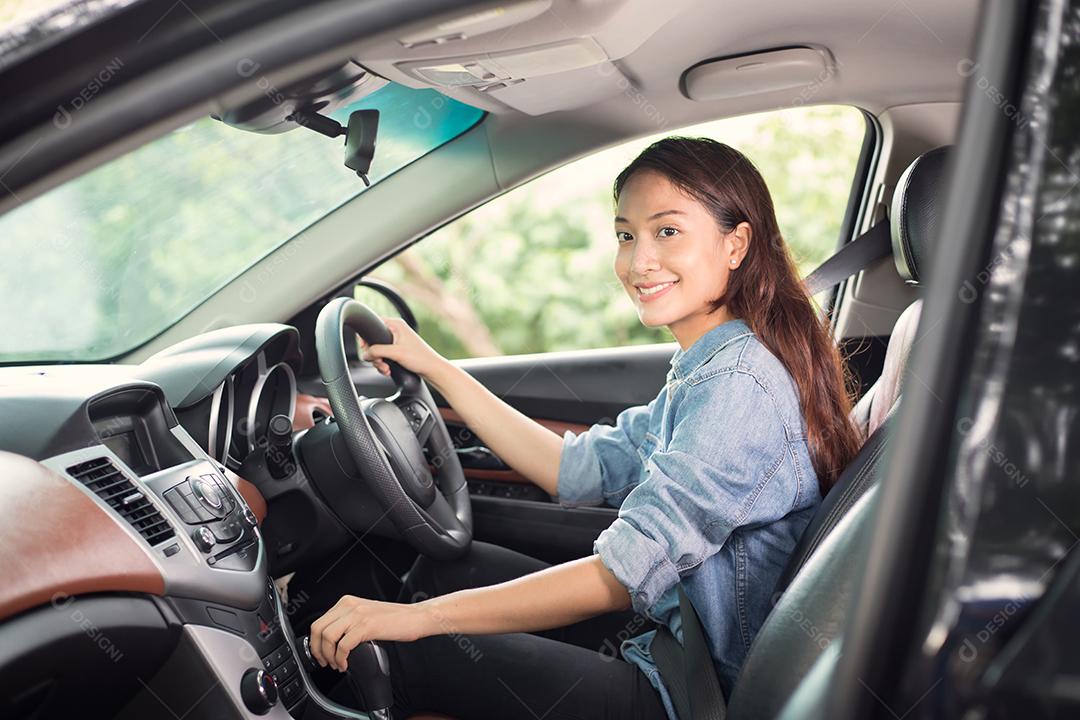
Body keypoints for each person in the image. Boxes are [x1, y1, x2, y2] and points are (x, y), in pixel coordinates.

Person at [308, 137, 862, 720]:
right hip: (673, 633)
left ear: (735, 244)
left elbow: (620, 576)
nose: (638, 261)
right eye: (626, 235)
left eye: (667, 232)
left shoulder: (739, 385)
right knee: (448, 570)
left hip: (693, 691)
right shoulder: (712, 366)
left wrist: (414, 621)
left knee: (407, 651)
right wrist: (438, 369)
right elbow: (579, 468)